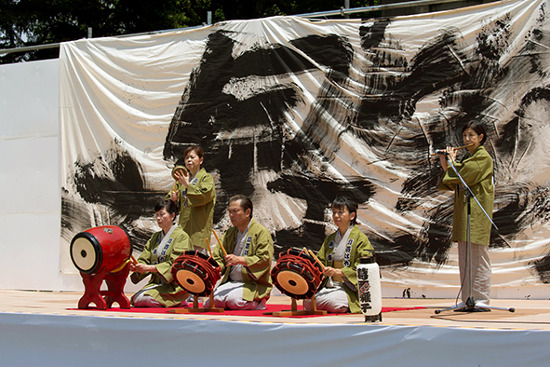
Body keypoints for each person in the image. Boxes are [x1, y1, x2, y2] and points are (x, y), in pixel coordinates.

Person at [438, 121, 494, 309]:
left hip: (477, 214)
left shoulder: (483, 158)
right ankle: (468, 298)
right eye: (465, 136)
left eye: (471, 135)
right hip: (465, 213)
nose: (467, 139)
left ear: (481, 137)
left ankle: (481, 299)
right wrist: (447, 164)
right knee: (465, 258)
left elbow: (463, 175)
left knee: (478, 257)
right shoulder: (469, 159)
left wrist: (452, 164)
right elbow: (456, 179)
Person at [304, 195, 374, 313]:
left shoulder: (360, 239)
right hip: (330, 286)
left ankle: (348, 303)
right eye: (334, 212)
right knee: (307, 302)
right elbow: (320, 261)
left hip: (348, 288)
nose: (336, 216)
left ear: (352, 216)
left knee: (334, 303)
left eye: (341, 212)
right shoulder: (330, 239)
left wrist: (339, 272)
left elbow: (365, 267)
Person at [208, 195, 274, 310]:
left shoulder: (261, 232)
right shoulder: (230, 233)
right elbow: (219, 257)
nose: (231, 216)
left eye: (235, 211)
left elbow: (264, 259)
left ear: (247, 212)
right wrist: (216, 267)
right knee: (213, 302)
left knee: (234, 301)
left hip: (252, 283)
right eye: (229, 212)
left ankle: (258, 302)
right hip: (232, 281)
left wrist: (239, 260)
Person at [130, 199, 191, 307]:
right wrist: (137, 267)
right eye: (157, 215)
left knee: (144, 300)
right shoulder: (155, 237)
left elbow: (176, 264)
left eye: (162, 214)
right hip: (158, 283)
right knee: (135, 299)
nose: (158, 218)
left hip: (175, 286)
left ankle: (180, 300)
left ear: (172, 216)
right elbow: (145, 259)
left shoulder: (182, 237)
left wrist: (149, 268)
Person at [168, 144, 216, 252]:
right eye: (186, 158)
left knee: (195, 263)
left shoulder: (206, 178)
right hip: (183, 228)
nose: (189, 160)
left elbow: (204, 196)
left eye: (192, 157)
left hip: (198, 230)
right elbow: (170, 203)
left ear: (201, 160)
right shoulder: (181, 181)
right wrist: (173, 200)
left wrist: (187, 185)